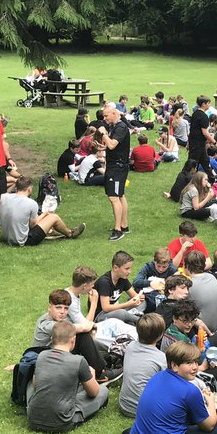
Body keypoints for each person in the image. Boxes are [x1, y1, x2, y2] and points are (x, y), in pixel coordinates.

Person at [128, 341, 217, 434]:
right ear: (174, 365)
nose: (195, 367)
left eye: (196, 361)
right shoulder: (190, 390)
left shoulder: (157, 376)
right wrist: (211, 401)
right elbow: (209, 426)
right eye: (189, 363)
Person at [26, 321, 108, 433]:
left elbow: (36, 384)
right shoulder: (78, 361)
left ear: (51, 339)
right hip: (62, 422)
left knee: (32, 385)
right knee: (103, 391)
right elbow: (93, 392)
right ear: (73, 340)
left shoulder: (41, 356)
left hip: (33, 419)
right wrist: (91, 374)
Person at [0, 176, 85, 247]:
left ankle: (53, 232)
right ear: (29, 189)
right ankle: (70, 233)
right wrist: (44, 214)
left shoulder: (4, 198)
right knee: (53, 217)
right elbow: (33, 225)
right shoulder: (31, 203)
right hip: (23, 240)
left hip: (7, 237)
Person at [118, 314, 168, 418]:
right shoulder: (161, 358)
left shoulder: (130, 346)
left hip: (124, 405)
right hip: (145, 411)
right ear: (160, 336)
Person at [99, 103, 131, 241]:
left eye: (106, 116)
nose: (105, 119)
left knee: (114, 197)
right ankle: (124, 225)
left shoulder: (121, 127)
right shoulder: (116, 127)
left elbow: (112, 145)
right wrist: (102, 146)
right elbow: (111, 145)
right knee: (120, 195)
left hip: (117, 167)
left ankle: (118, 230)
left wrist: (104, 133)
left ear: (114, 113)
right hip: (117, 165)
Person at [94, 251, 145, 326]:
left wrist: (139, 297)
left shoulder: (122, 278)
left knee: (143, 303)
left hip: (115, 311)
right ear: (115, 268)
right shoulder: (104, 282)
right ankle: (141, 322)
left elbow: (134, 296)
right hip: (100, 316)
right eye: (127, 269)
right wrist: (127, 304)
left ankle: (129, 318)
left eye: (130, 268)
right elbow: (106, 308)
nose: (129, 271)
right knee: (121, 313)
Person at [188, 95, 214, 173]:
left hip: (196, 143)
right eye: (208, 103)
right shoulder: (204, 116)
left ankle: (211, 178)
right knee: (191, 164)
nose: (210, 105)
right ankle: (184, 179)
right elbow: (205, 132)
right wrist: (214, 142)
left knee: (205, 162)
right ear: (203, 104)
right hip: (197, 145)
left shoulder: (195, 114)